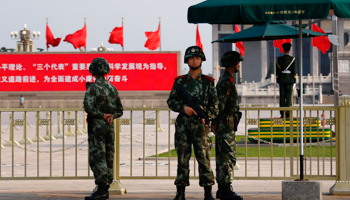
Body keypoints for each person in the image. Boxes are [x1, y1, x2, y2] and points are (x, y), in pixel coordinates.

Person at [167, 46, 219, 200]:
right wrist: (183, 108)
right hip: (183, 126)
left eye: (197, 58)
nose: (194, 60)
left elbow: (215, 106)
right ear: (187, 61)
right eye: (191, 58)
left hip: (201, 127)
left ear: (201, 60)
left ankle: (208, 193)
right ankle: (180, 192)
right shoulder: (180, 82)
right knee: (182, 159)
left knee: (204, 159)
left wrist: (207, 117)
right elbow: (171, 101)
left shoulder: (208, 83)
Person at [84, 57, 123, 200]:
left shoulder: (92, 88)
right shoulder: (113, 88)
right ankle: (106, 187)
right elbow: (120, 109)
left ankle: (101, 190)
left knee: (98, 156)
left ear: (92, 71)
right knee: (109, 156)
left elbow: (88, 107)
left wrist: (102, 115)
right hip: (109, 126)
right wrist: (110, 116)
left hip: (97, 127)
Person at [212, 51, 243, 200]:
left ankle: (222, 189)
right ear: (232, 64)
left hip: (227, 124)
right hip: (225, 125)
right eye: (237, 63)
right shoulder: (226, 82)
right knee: (226, 156)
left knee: (224, 156)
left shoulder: (227, 80)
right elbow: (220, 106)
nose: (239, 65)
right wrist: (217, 123)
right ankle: (225, 189)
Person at [276, 42, 296, 118]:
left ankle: (282, 113)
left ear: (283, 49)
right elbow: (294, 71)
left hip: (281, 79)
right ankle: (289, 112)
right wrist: (294, 81)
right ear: (289, 50)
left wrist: (277, 81)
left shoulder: (279, 59)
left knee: (282, 96)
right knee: (289, 96)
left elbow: (278, 71)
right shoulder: (293, 59)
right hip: (290, 79)